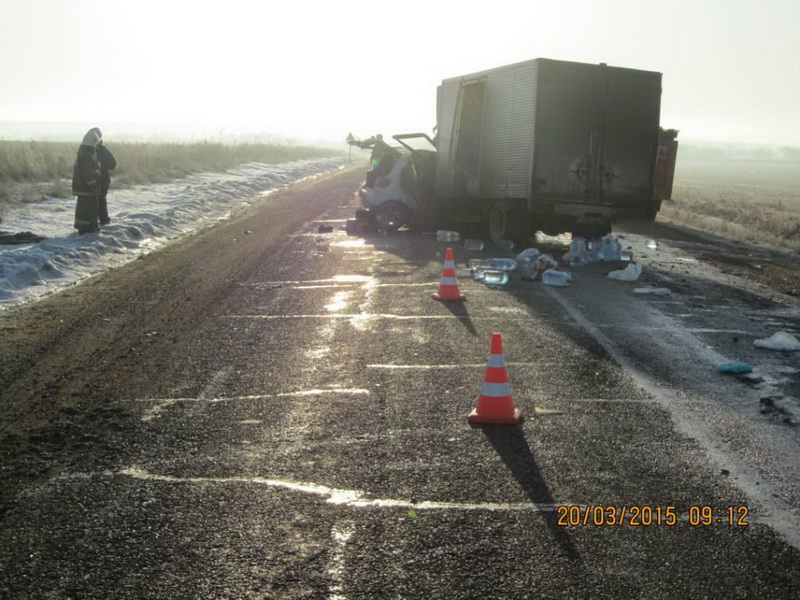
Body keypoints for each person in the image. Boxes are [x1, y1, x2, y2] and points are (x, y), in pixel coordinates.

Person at [72, 127, 103, 234]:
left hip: (86, 187)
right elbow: (88, 173)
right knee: (86, 209)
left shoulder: (86, 152)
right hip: (86, 188)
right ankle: (85, 229)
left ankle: (89, 227)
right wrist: (93, 185)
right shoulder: (86, 155)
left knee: (89, 208)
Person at [96, 138, 117, 225]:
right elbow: (113, 164)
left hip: (101, 180)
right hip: (102, 179)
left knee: (100, 199)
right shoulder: (104, 151)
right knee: (101, 200)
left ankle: (102, 220)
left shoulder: (90, 151)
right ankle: (103, 220)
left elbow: (112, 164)